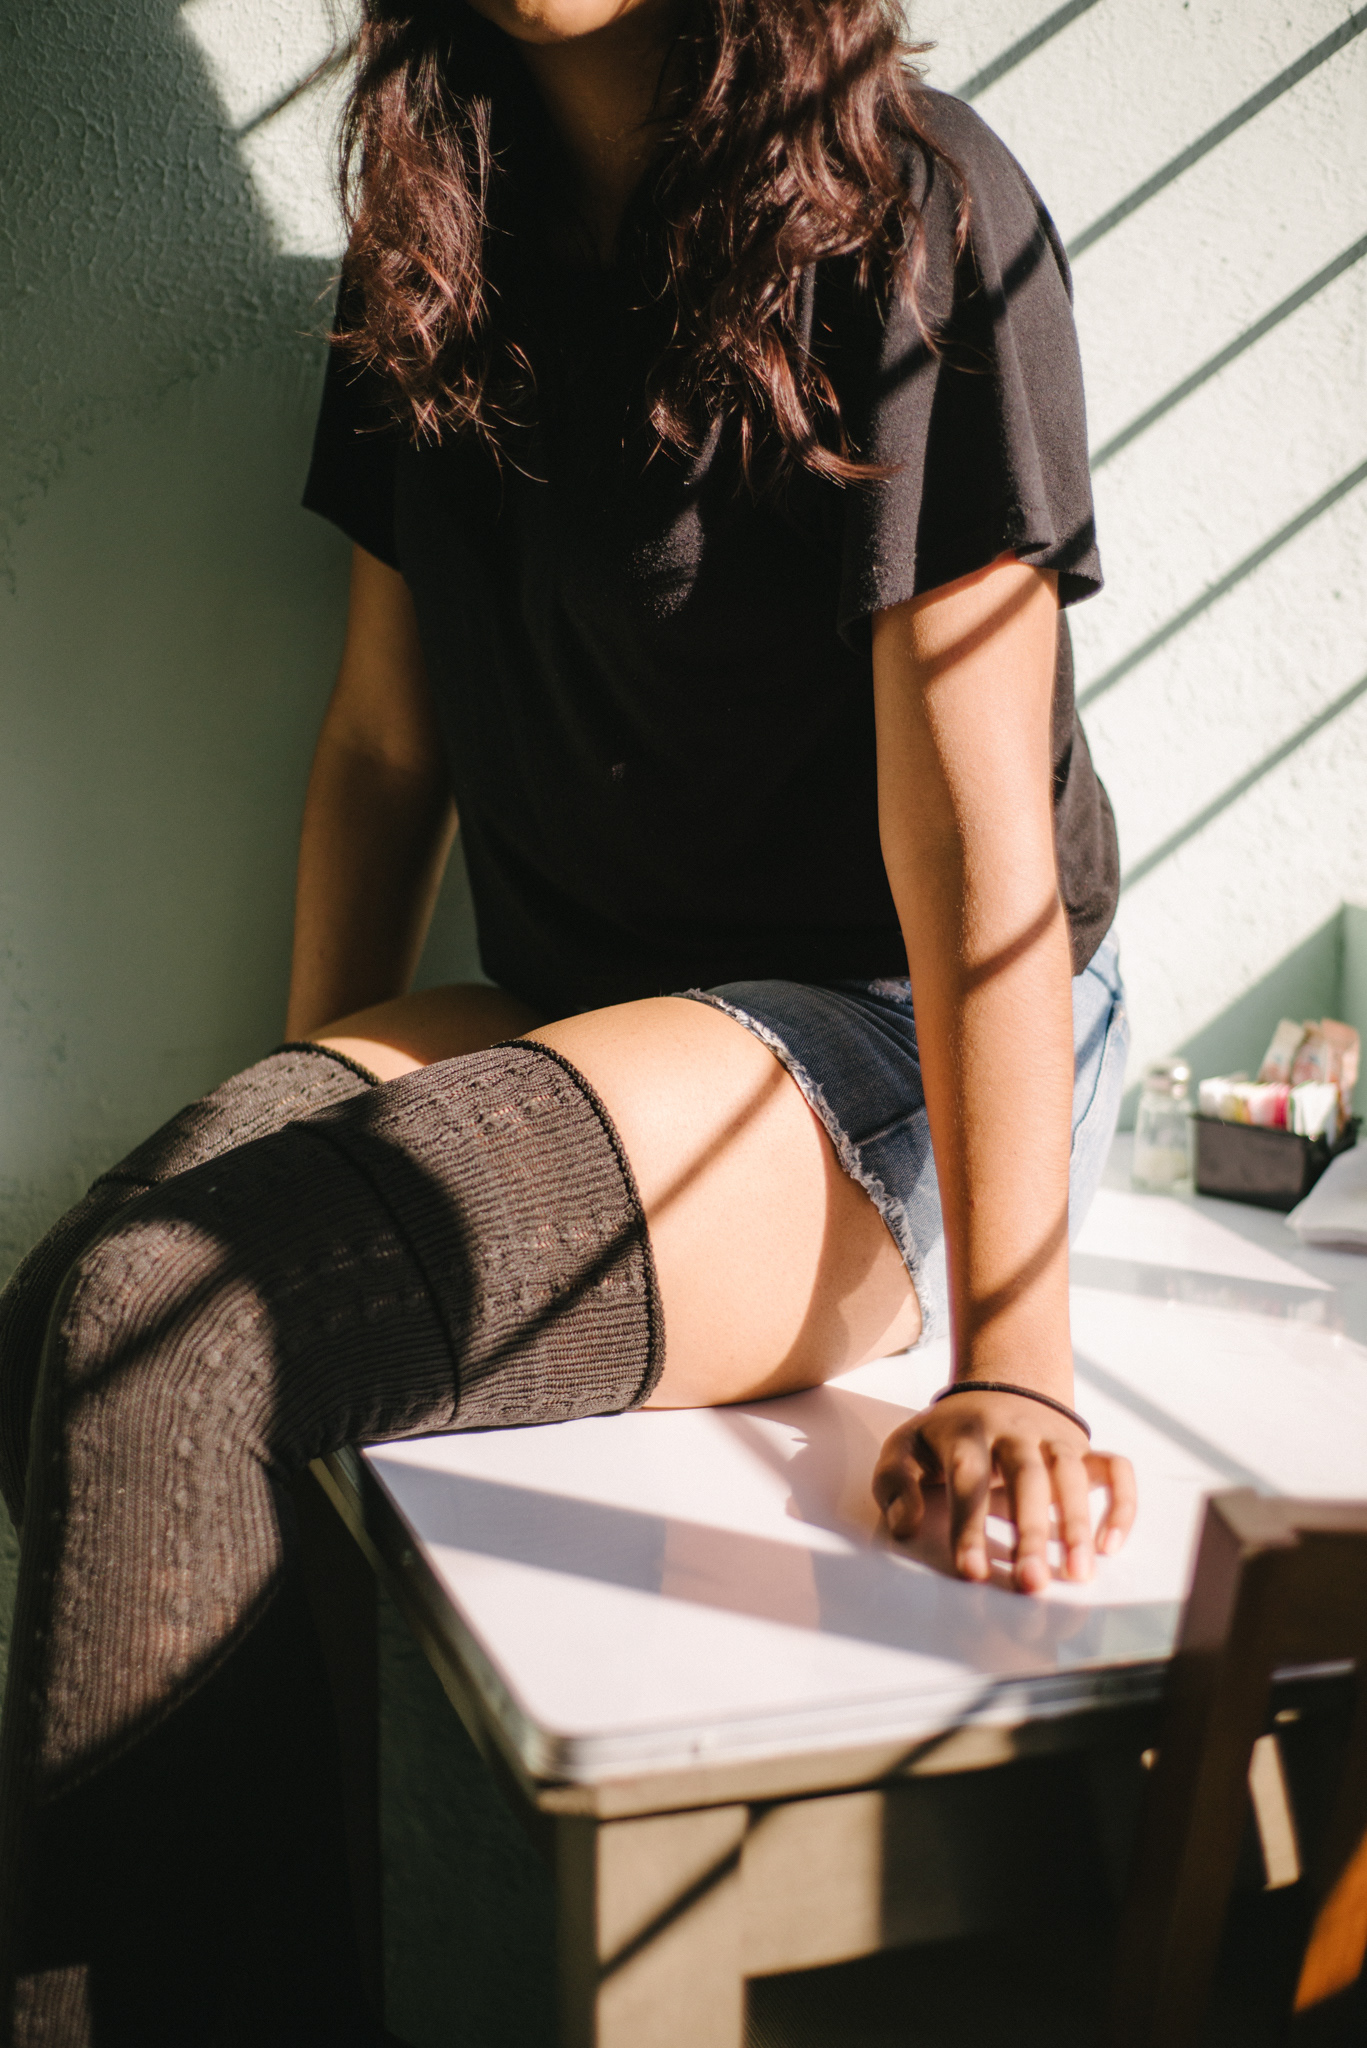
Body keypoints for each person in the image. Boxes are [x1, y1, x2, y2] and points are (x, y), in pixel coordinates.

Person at [0, 0, 1136, 2037]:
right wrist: (311, 1171)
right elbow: (383, 748)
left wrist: (1019, 1371)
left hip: (889, 1035)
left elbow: (978, 852)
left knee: (170, 1333)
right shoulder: (443, 238)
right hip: (578, 1003)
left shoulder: (919, 208)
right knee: (80, 1329)